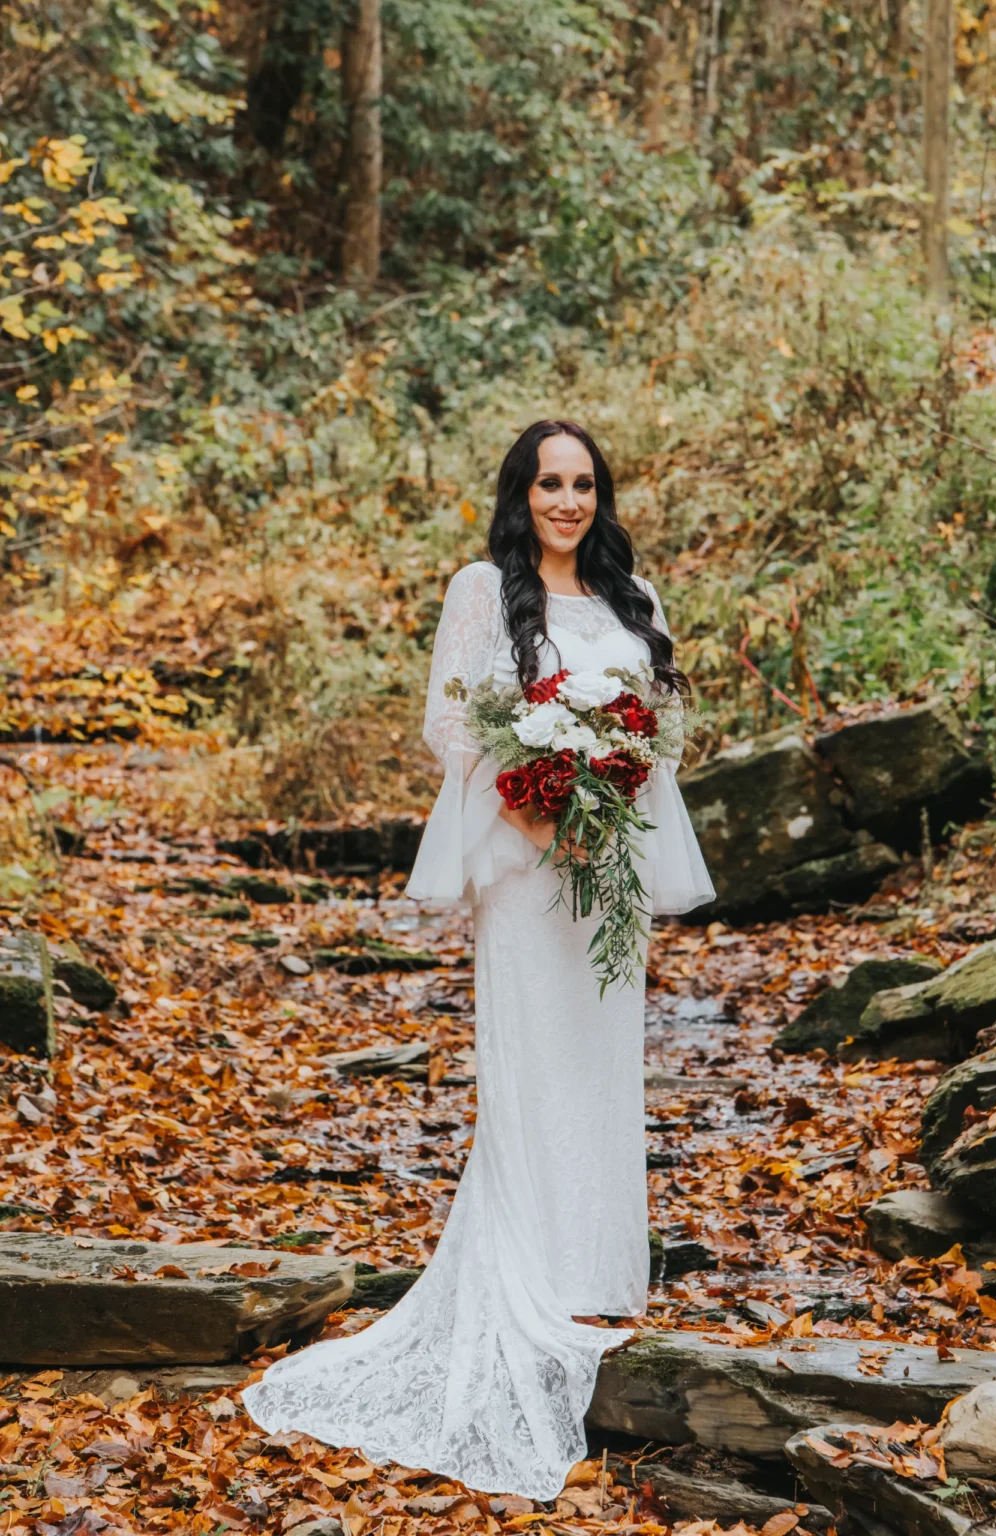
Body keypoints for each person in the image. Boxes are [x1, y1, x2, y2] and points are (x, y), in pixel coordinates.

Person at [242, 419, 714, 1500]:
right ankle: (528, 1280)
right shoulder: (480, 590)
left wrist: (609, 801)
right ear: (520, 493)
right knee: (531, 1063)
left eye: (583, 482)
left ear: (601, 494)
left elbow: (654, 735)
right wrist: (545, 811)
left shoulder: (634, 600)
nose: (567, 499)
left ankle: (594, 1278)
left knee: (604, 1068)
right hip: (525, 867)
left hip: (610, 873)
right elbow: (456, 729)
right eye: (548, 482)